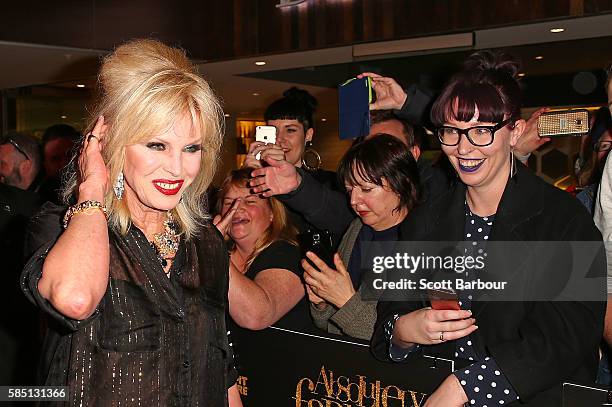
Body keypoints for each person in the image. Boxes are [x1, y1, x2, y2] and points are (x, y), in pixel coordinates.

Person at [372, 51, 605, 407]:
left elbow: (568, 336)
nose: (464, 148)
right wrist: (404, 331)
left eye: (482, 131)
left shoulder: (563, 218)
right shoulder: (424, 220)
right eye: (452, 131)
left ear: (516, 132)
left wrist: (466, 385)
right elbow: (389, 316)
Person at [20, 39, 241, 406]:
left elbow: (219, 367)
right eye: (156, 145)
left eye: (191, 149)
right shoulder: (61, 227)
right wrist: (92, 187)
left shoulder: (205, 242)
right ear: (113, 143)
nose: (177, 168)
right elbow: (74, 299)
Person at [302, 135, 420, 340]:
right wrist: (322, 302)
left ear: (402, 183)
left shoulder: (421, 242)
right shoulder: (357, 228)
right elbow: (329, 324)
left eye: (366, 189)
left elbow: (397, 338)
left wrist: (344, 300)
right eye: (349, 190)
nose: (354, 201)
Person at [214, 168, 308, 332]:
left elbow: (256, 316)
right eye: (229, 203)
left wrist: (214, 249)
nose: (237, 209)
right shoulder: (221, 251)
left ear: (272, 213)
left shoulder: (288, 253)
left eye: (250, 201)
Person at [243, 87, 343, 236]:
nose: (280, 139)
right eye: (273, 130)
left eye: (290, 130)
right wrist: (246, 178)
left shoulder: (331, 183)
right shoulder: (257, 180)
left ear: (308, 135)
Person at [36, 124, 80, 204]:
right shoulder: (37, 198)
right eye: (55, 159)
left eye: (70, 155)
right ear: (45, 164)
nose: (64, 163)